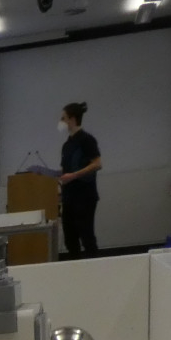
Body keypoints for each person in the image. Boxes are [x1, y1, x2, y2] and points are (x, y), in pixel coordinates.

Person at [58, 102, 102, 259]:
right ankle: (75, 266)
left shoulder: (87, 140)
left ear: (72, 119)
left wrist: (74, 176)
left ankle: (93, 267)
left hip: (84, 196)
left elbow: (97, 164)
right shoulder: (67, 145)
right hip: (69, 197)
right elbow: (66, 170)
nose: (61, 122)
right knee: (70, 239)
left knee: (86, 236)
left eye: (63, 118)